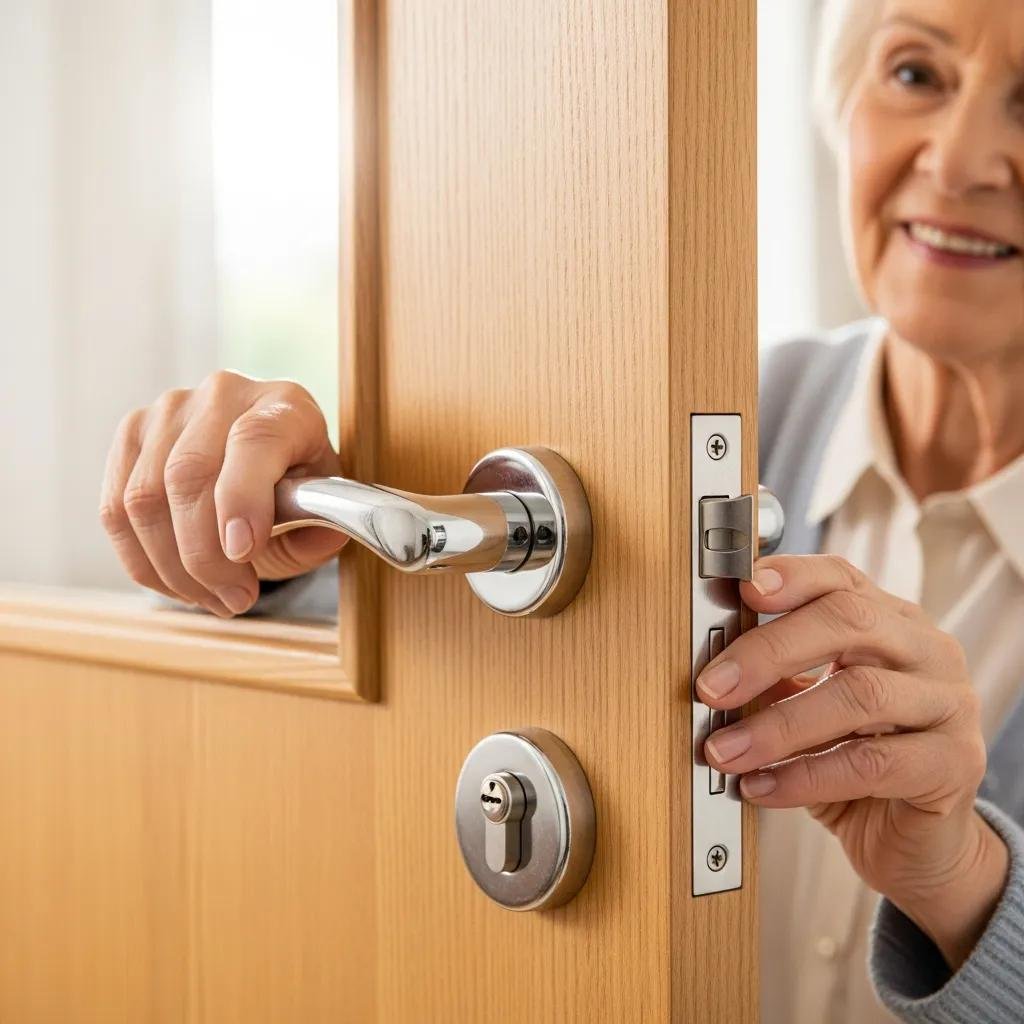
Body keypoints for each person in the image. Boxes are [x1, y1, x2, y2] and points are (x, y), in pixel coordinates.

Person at [98, 0, 1024, 1020]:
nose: (957, 162)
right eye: (914, 74)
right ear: (843, 97)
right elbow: (399, 602)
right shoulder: (686, 426)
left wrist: (963, 882)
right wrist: (246, 504)